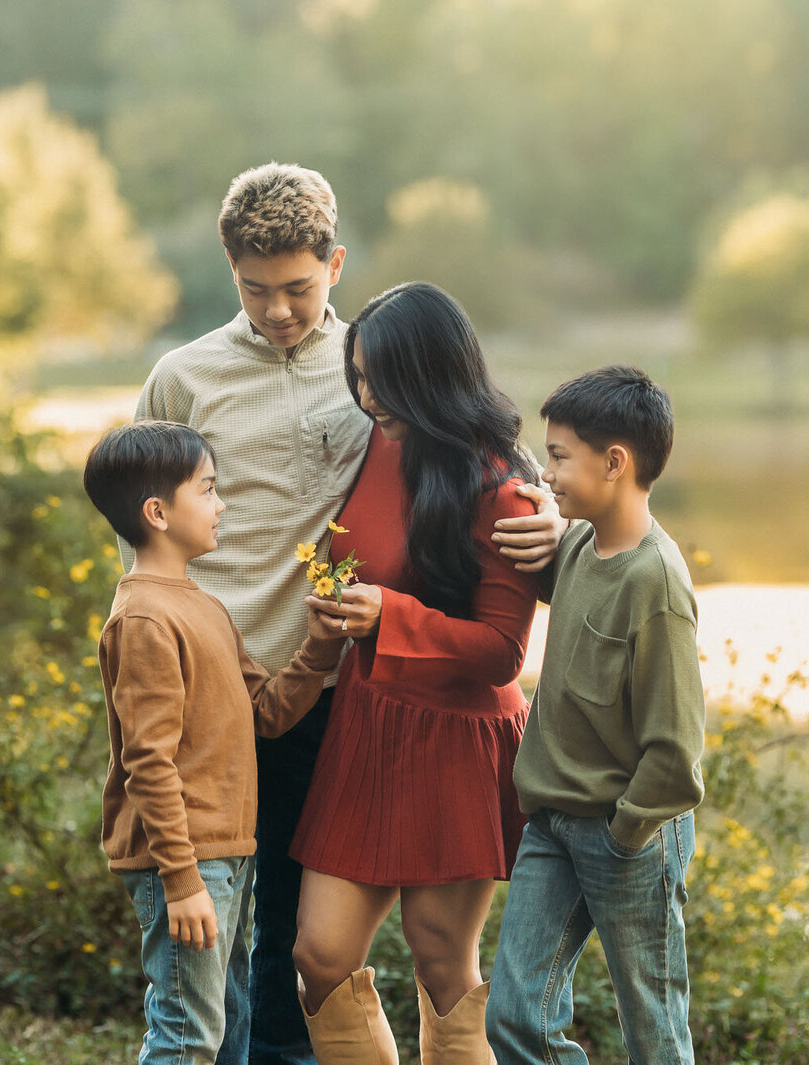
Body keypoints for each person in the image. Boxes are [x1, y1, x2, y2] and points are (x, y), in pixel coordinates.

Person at [125, 163, 566, 1065]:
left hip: (337, 697)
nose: (278, 309)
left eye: (296, 287)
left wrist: (557, 515)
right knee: (248, 931)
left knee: (317, 935)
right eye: (256, 289)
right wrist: (144, 655)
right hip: (225, 689)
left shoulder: (373, 364)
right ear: (229, 272)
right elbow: (144, 522)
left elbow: (483, 468)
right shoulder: (185, 377)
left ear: (334, 264)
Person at [289, 281, 545, 1065]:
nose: (367, 398)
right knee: (320, 955)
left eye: (382, 381)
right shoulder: (371, 444)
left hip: (457, 740)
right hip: (367, 728)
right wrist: (331, 606)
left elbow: (503, 650)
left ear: (432, 375)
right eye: (358, 376)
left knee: (440, 962)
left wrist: (387, 618)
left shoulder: (503, 487)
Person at [84, 420, 351, 1065]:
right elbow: (149, 761)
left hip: (224, 856)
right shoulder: (146, 619)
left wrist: (320, 648)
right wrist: (180, 880)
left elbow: (264, 712)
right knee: (186, 1037)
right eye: (206, 490)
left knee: (225, 1031)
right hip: (185, 861)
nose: (220, 503)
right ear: (157, 512)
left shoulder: (203, 605)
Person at [485, 366, 708, 1065]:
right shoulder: (579, 546)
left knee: (655, 1032)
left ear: (615, 463)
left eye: (557, 457)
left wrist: (626, 833)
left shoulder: (658, 581)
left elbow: (675, 753)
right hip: (551, 822)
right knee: (515, 1016)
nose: (546, 472)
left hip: (628, 835)